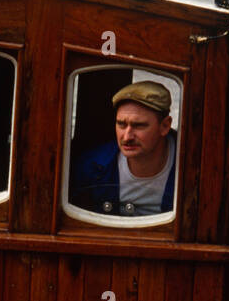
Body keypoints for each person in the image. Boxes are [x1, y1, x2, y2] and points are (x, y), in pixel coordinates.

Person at [71, 81, 177, 217]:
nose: (127, 137)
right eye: (121, 124)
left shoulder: (191, 169)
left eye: (139, 125)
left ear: (165, 126)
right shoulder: (90, 167)